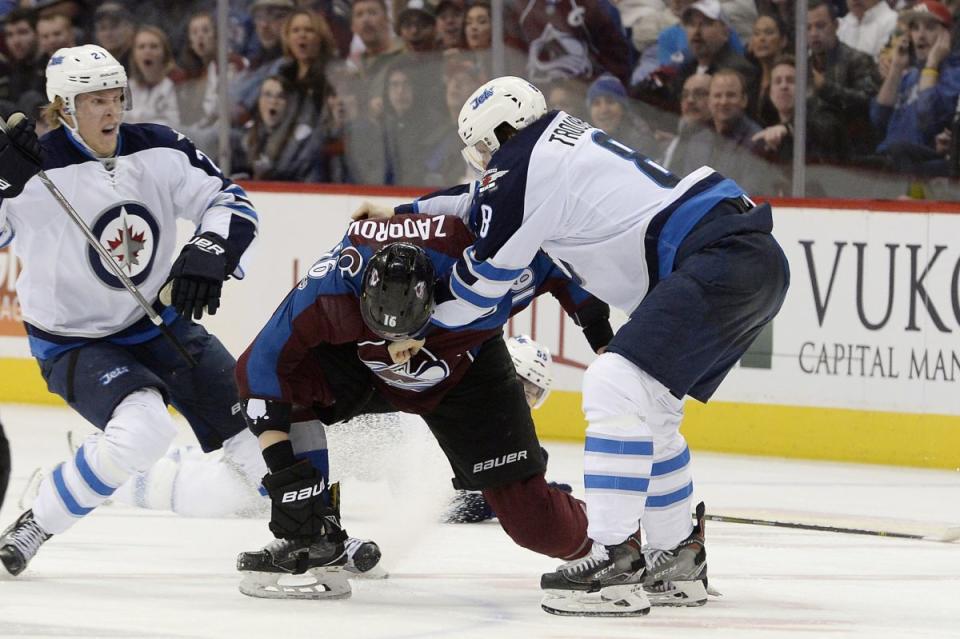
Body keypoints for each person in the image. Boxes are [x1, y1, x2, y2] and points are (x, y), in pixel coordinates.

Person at [353, 75, 789, 616]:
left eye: (485, 147)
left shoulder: (523, 166)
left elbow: (481, 281)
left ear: (503, 133)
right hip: (744, 255)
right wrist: (404, 214)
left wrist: (419, 325)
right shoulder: (551, 148)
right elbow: (475, 202)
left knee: (613, 385)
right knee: (651, 410)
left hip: (718, 257)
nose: (484, 162)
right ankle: (676, 556)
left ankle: (612, 558)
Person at [233, 212, 613, 599]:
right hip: (366, 365)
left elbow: (558, 263)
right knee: (288, 377)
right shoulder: (329, 286)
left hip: (466, 373)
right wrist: (287, 481)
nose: (399, 345)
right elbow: (260, 366)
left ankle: (617, 544)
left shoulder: (481, 270)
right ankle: (315, 536)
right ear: (360, 292)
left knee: (534, 524)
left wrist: (604, 341)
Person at [0, 43, 262, 578]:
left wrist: (208, 252)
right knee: (144, 429)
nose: (111, 109)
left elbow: (231, 202)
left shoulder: (158, 148)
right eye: (94, 99)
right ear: (65, 108)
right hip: (75, 340)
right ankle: (37, 521)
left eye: (116, 95)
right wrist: (0, 182)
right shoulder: (31, 168)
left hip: (157, 324)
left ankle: (319, 532)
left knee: (256, 428)